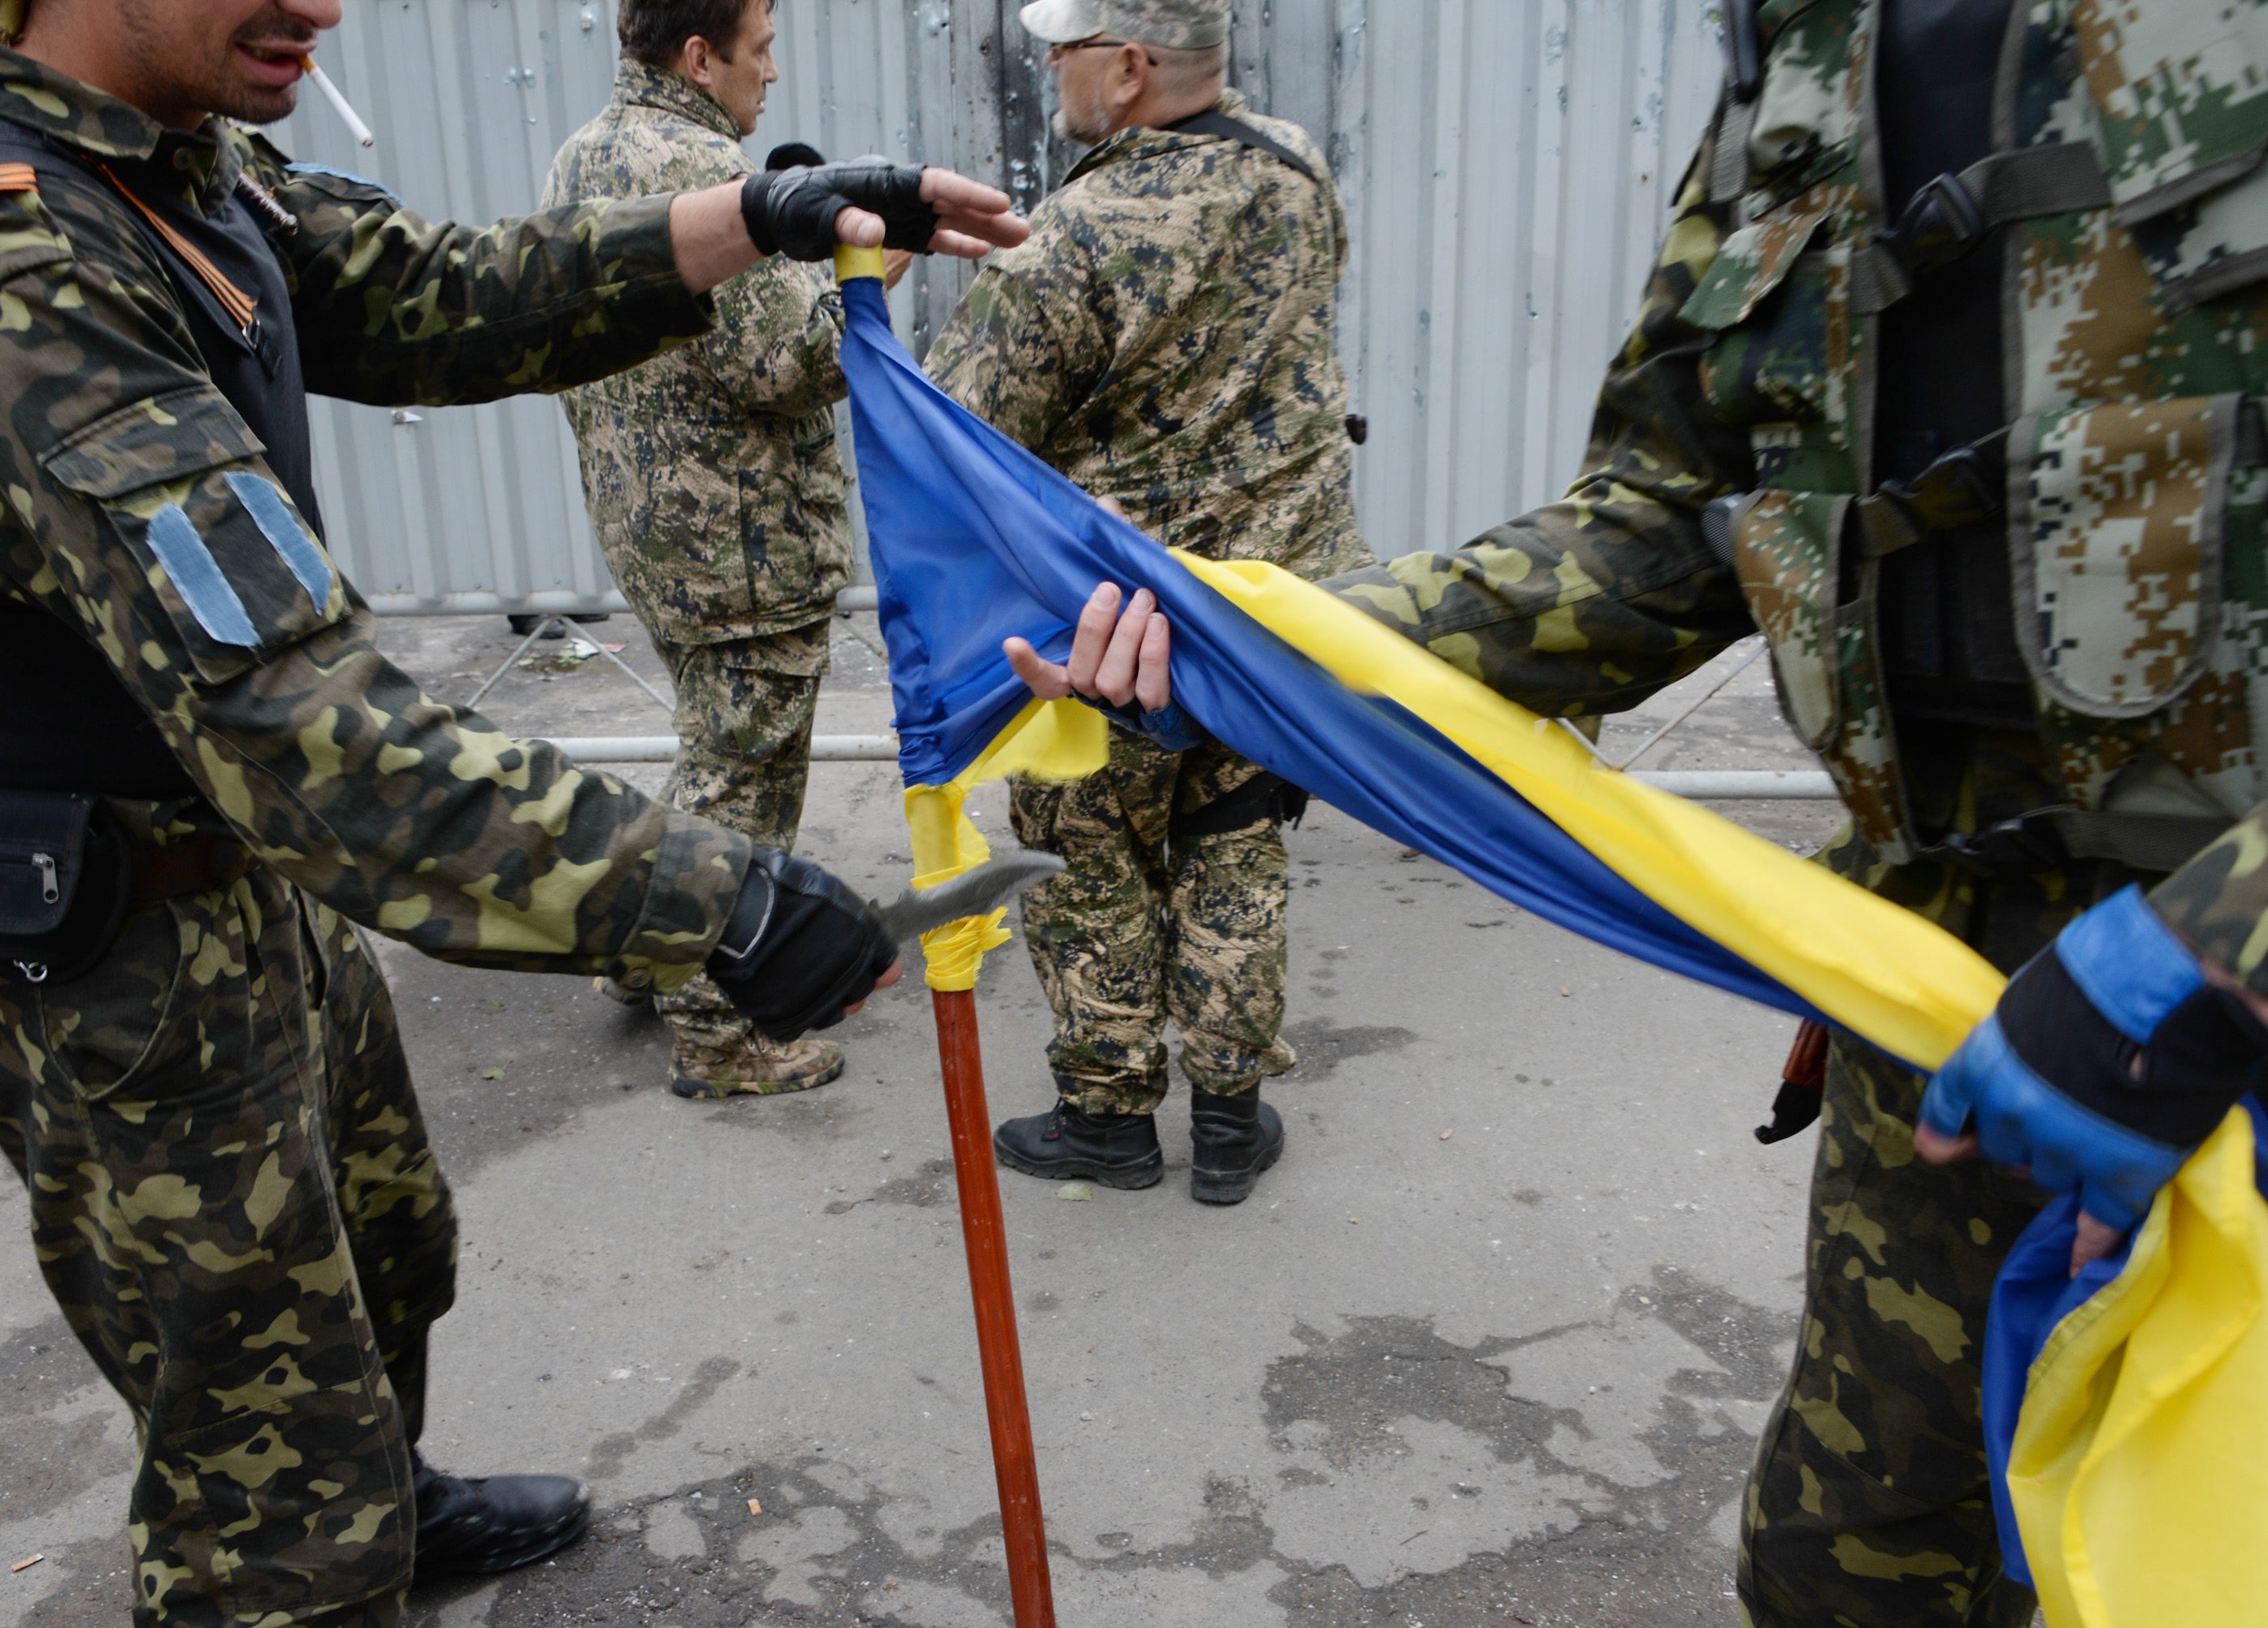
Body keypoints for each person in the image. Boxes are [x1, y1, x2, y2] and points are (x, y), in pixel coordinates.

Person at [1004, 0, 2268, 1621]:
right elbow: (1666, 523)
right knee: (1847, 1576)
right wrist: (1266, 647)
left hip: (2207, 971)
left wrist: (2214, 949)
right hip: (1934, 991)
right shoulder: (1809, 65)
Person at [0, 1, 1025, 1622]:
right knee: (263, 1476)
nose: (323, 6)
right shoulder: (16, 263)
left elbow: (446, 293)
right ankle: (321, 1548)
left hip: (246, 880)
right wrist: (706, 899)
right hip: (123, 943)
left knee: (383, 1248)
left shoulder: (176, 179)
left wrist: (758, 217)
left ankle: (384, 1498)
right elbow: (300, 722)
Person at [924, 0, 1373, 1206]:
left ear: (1127, 69)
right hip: (1273, 619)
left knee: (1090, 852)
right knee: (1234, 841)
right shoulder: (1297, 171)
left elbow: (963, 435)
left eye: (1066, 51)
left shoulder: (1067, 234)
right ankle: (1229, 1119)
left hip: (1110, 633)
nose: (1053, 71)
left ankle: (1107, 1118)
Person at [545, 0, 910, 1100]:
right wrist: (879, 272)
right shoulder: (712, 173)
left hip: (650, 524)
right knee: (745, 779)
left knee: (710, 745)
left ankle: (642, 945)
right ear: (698, 57)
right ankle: (719, 1028)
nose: (775, 77)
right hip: (744, 540)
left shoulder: (585, 153)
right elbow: (787, 366)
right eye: (759, 53)